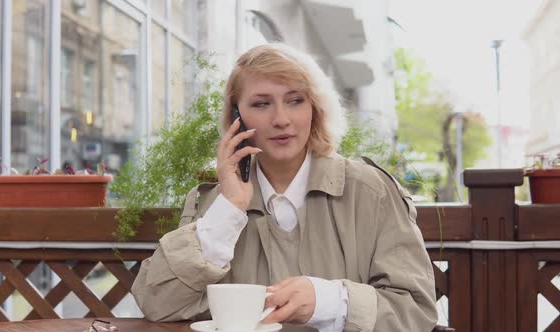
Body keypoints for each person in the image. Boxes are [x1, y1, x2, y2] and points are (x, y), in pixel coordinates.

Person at [132, 43, 437, 332]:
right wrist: (228, 211)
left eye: (295, 100)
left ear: (315, 108)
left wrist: (329, 301)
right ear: (236, 118)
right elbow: (157, 305)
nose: (281, 119)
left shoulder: (371, 191)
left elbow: (415, 310)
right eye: (261, 104)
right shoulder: (214, 204)